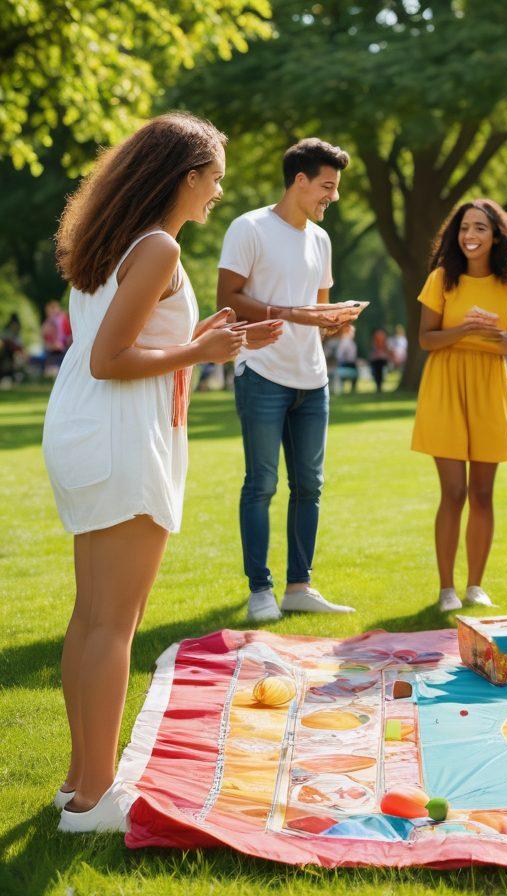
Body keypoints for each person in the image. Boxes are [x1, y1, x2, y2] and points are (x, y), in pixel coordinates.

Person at [43, 113, 282, 832]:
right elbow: (109, 358)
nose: (217, 192)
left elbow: (129, 339)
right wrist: (200, 355)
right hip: (115, 432)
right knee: (114, 623)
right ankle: (95, 799)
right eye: (213, 178)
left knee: (93, 618)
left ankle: (78, 783)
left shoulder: (120, 240)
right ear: (184, 176)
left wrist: (204, 337)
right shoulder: (156, 247)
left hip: (88, 429)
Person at [218, 138, 364, 622]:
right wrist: (291, 313)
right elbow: (227, 297)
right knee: (260, 484)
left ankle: (298, 586)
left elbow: (317, 310)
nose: (333, 197)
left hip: (313, 377)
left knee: (310, 487)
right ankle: (260, 589)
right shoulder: (250, 228)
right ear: (299, 181)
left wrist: (337, 319)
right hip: (261, 373)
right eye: (327, 186)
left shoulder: (320, 240)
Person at [411, 198, 507, 612]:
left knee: (483, 493)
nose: (470, 236)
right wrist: (463, 328)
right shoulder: (443, 279)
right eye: (464, 228)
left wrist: (496, 336)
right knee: (454, 491)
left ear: (495, 234)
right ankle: (447, 589)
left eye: (480, 228)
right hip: (445, 384)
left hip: (489, 386)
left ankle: (475, 586)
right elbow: (426, 339)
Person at [335, 322, 359, 392]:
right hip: (346, 365)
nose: (353, 333)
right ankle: (352, 389)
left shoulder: (347, 341)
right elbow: (340, 355)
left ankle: (351, 389)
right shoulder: (346, 342)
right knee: (355, 371)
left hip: (346, 364)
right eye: (352, 331)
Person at [369, 326, 389, 392]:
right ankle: (379, 386)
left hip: (380, 358)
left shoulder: (379, 338)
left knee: (379, 374)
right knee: (377, 373)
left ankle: (379, 386)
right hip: (376, 358)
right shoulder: (377, 339)